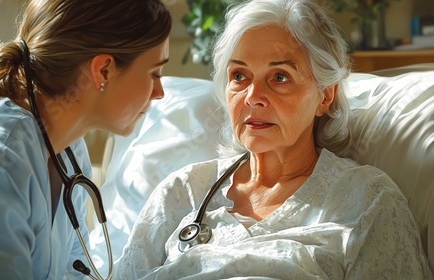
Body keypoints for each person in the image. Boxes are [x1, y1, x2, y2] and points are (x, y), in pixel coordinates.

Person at [114, 0, 432, 279]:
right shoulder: (182, 192)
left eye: (279, 77)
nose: (253, 97)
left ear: (325, 96)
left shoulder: (368, 201)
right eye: (239, 76)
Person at [0, 0, 171, 279]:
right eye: (154, 73)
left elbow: (75, 269)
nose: (160, 92)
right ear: (103, 71)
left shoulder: (69, 152)